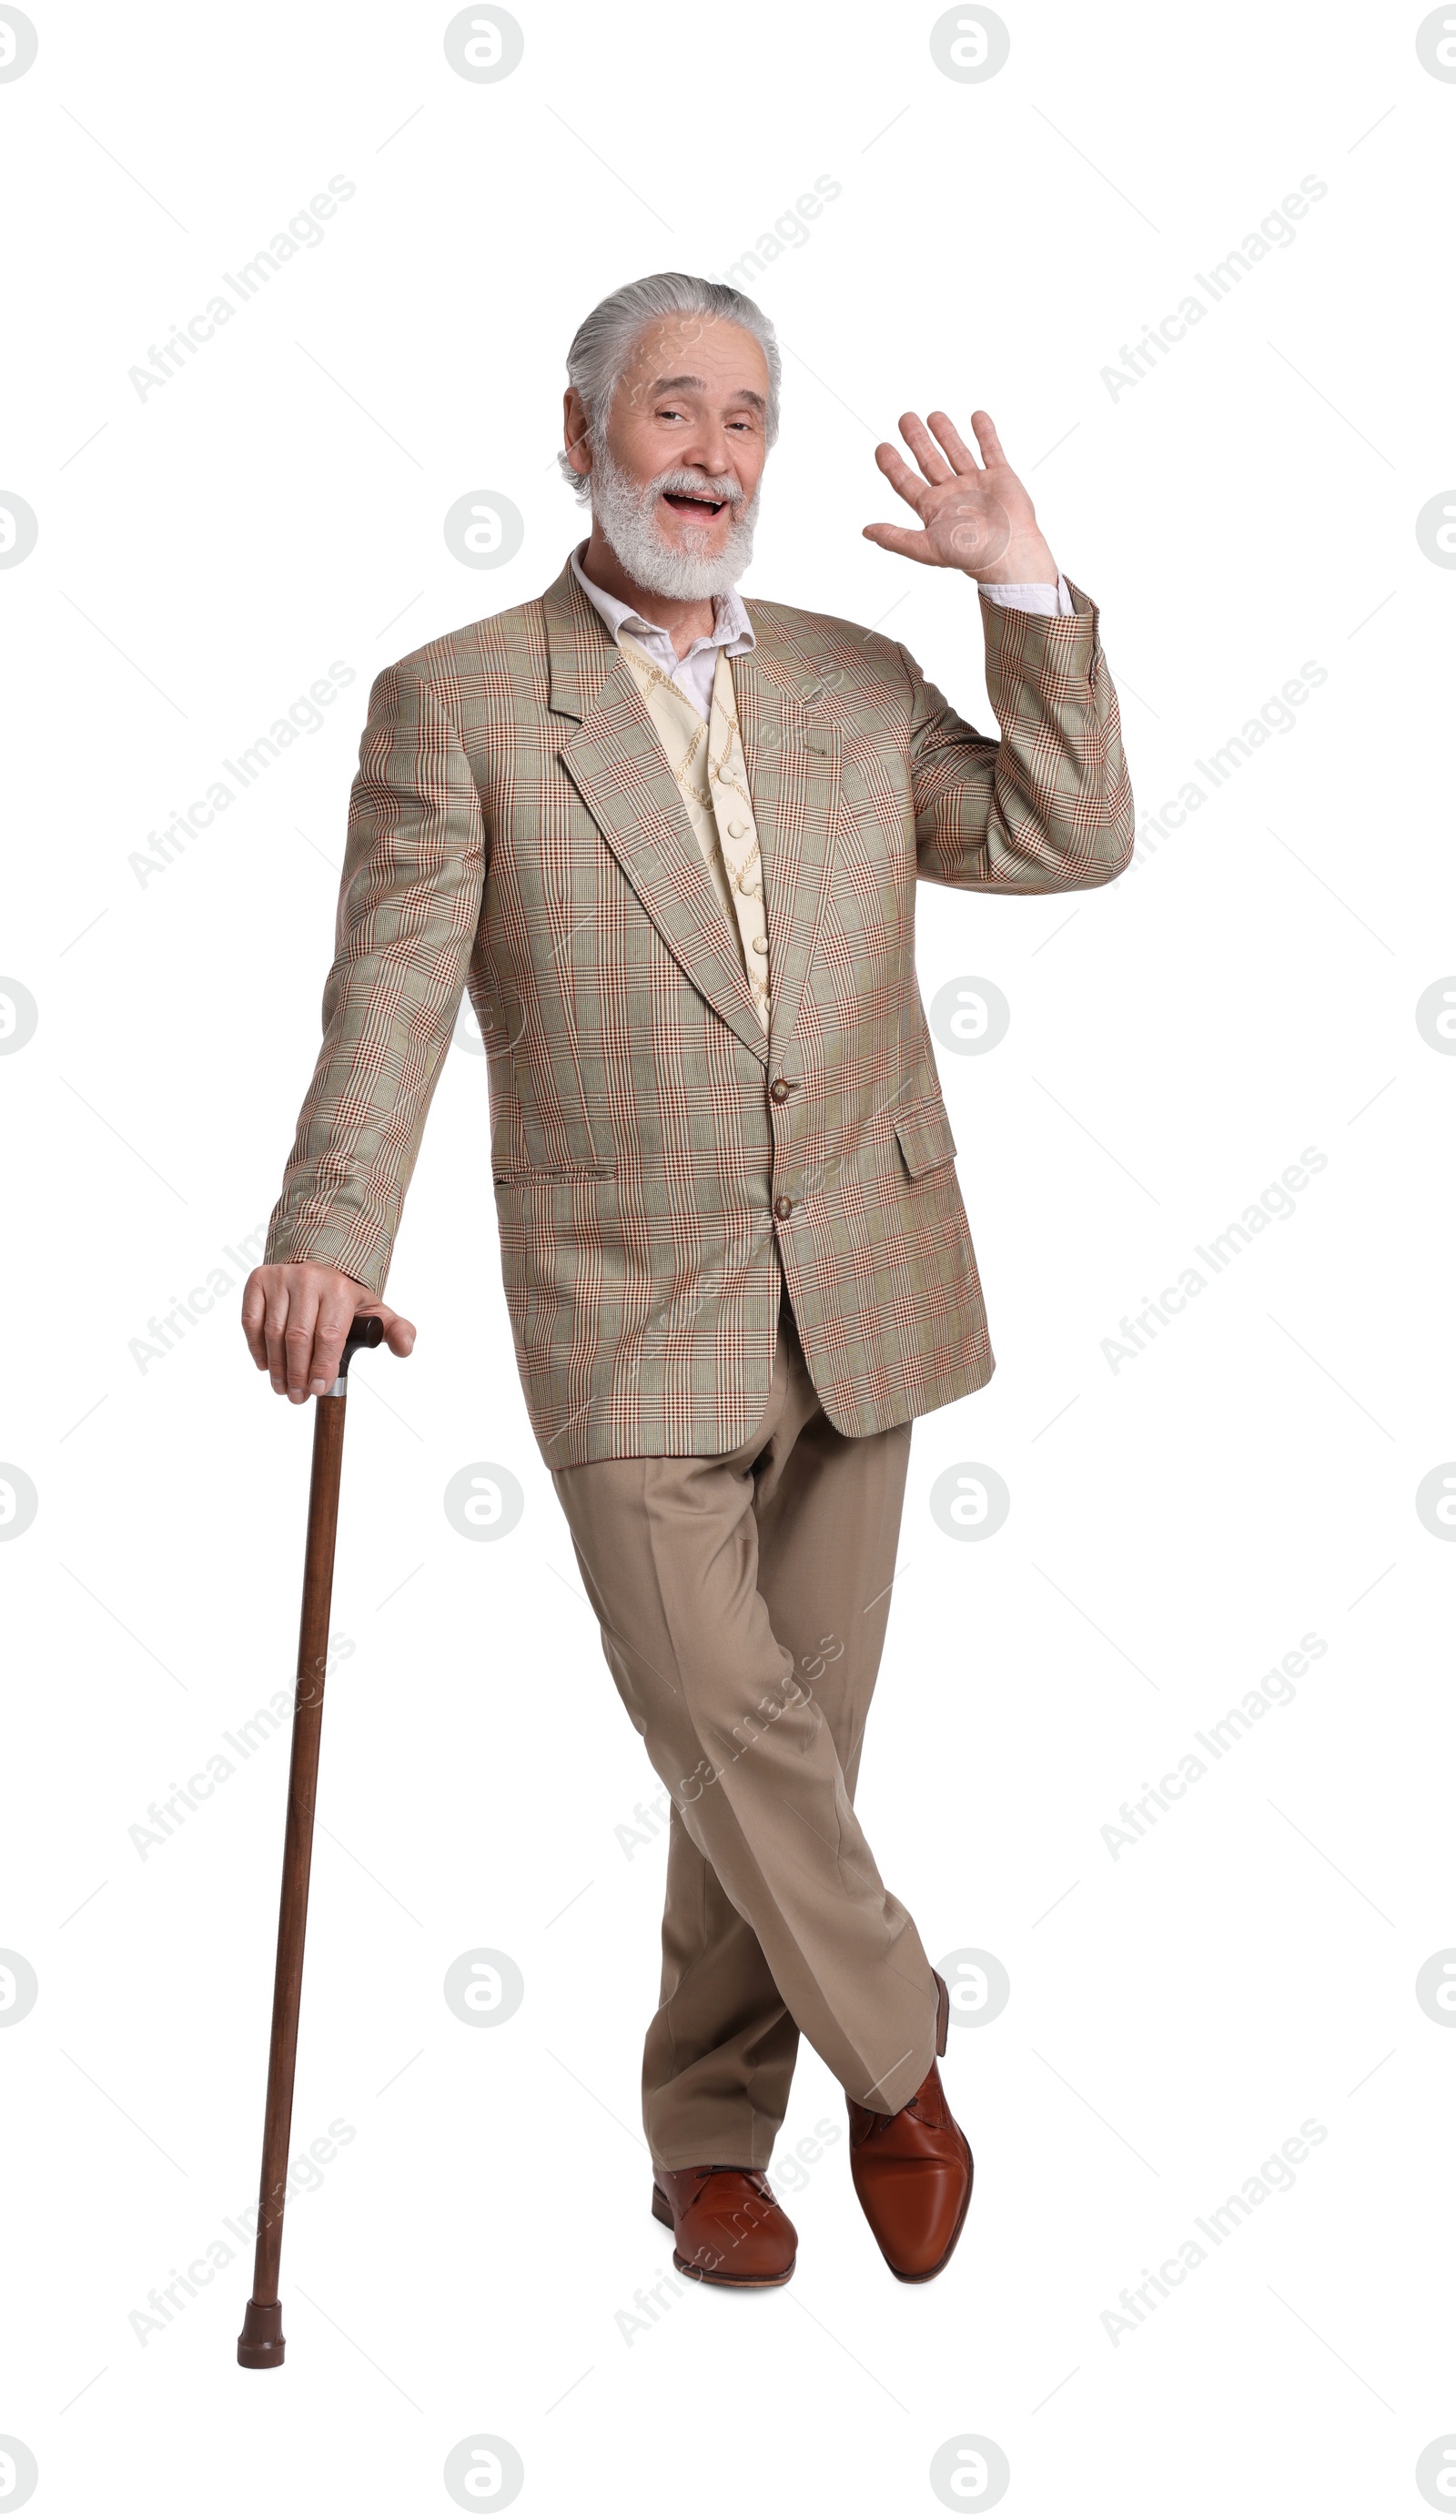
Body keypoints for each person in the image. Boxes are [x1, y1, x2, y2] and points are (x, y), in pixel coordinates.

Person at [241, 271, 1133, 2290]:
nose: (708, 451)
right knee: (726, 1718)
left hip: (868, 1284)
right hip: (618, 1302)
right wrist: (326, 1231)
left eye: (741, 414)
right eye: (667, 410)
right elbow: (389, 1000)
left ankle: (702, 2136)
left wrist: (1025, 589)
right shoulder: (456, 701)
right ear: (577, 439)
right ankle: (899, 2057)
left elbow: (1064, 835)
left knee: (787, 1734)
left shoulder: (848, 677)